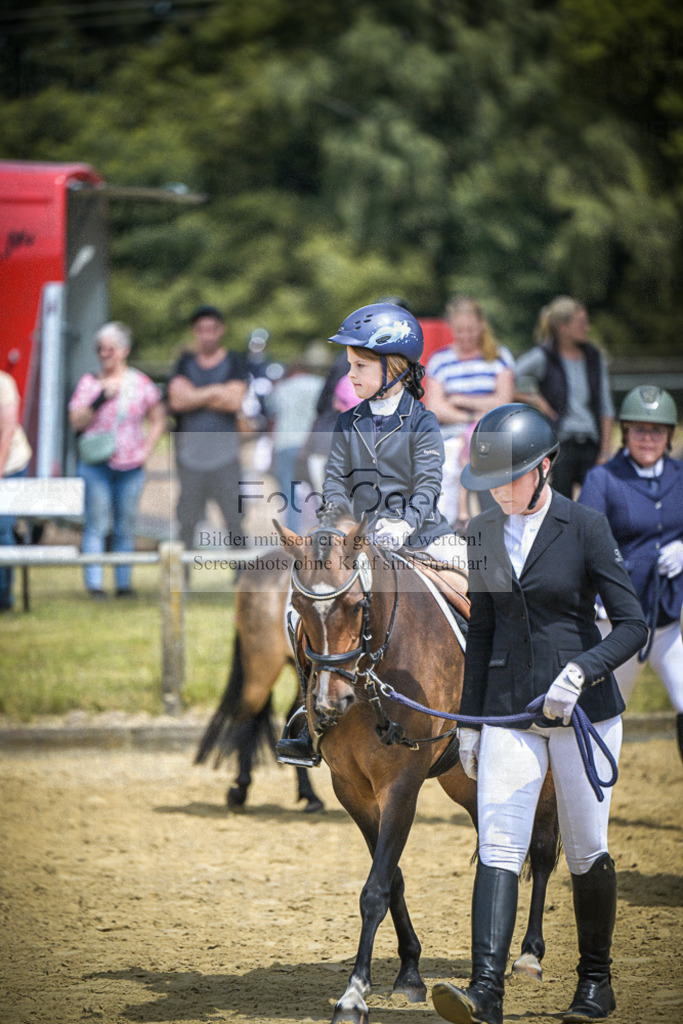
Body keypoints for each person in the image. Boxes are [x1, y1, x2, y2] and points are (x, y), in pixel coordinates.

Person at [431, 403, 647, 1024]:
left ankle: (594, 983)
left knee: (584, 849)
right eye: (490, 480)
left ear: (545, 467)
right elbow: (482, 634)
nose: (498, 490)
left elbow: (633, 624)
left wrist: (581, 671)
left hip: (585, 716)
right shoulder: (479, 533)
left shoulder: (585, 527)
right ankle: (485, 993)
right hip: (507, 712)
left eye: (510, 477)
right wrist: (469, 723)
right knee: (498, 843)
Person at [276, 300, 466, 766]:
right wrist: (338, 529)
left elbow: (429, 484)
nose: (350, 376)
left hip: (422, 535)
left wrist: (404, 521)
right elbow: (336, 487)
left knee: (478, 590)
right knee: (297, 607)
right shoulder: (348, 422)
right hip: (356, 539)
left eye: (359, 366)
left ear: (394, 368)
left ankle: (484, 711)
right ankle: (308, 713)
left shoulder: (422, 421)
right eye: (349, 365)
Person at [578, 385, 683, 761]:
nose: (647, 438)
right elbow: (585, 544)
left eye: (656, 431)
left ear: (669, 434)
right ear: (625, 432)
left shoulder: (680, 474)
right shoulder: (602, 479)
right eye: (638, 429)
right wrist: (599, 594)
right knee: (601, 714)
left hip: (667, 621)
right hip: (617, 622)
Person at [68, 322, 165, 598]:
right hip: (96, 465)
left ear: (124, 350)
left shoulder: (140, 384)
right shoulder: (89, 383)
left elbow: (158, 418)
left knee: (125, 526)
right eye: (100, 349)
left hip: (131, 466)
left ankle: (123, 584)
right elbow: (75, 421)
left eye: (110, 348)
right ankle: (95, 585)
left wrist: (146, 450)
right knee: (96, 524)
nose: (104, 354)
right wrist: (100, 399)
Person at [425, 296, 514, 530]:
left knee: (494, 499)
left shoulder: (499, 357)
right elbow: (435, 406)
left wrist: (460, 400)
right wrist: (474, 415)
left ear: (481, 325)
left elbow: (503, 401)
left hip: (490, 438)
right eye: (460, 330)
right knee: (446, 482)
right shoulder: (440, 360)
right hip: (450, 440)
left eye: (471, 330)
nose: (465, 336)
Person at [514, 296, 614, 498]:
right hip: (560, 442)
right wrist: (534, 399)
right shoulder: (543, 356)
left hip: (591, 442)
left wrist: (604, 452)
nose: (587, 327)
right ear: (562, 327)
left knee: (599, 504)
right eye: (581, 323)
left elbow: (606, 407)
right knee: (560, 504)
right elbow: (507, 378)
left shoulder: (594, 357)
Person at [167, 305, 248, 551]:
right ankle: (182, 582)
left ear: (220, 330)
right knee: (187, 522)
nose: (207, 335)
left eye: (211, 329)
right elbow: (177, 401)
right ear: (195, 331)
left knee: (234, 519)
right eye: (202, 330)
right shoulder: (185, 362)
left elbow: (235, 401)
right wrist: (215, 390)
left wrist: (194, 395)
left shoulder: (234, 361)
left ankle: (243, 579)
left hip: (226, 457)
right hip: (190, 457)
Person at [264, 358, 324, 531]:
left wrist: (271, 448)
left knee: (289, 497)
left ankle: (292, 538)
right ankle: (325, 536)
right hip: (312, 444)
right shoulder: (319, 385)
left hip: (285, 443)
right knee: (321, 494)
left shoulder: (281, 388)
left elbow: (272, 419)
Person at [0, 370, 33, 611]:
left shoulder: (4, 383)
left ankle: (3, 598)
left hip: (9, 465)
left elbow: (6, 434)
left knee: (1, 529)